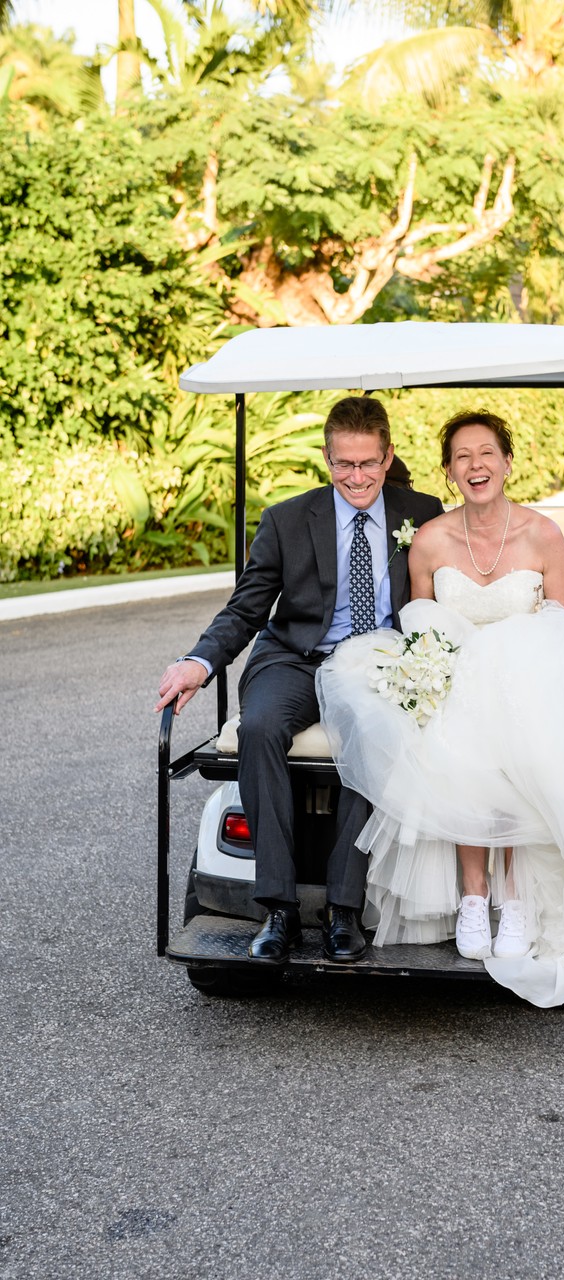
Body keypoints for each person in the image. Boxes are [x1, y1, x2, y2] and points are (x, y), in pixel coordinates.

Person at [317, 410, 564, 1007]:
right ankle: (475, 895)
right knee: (458, 727)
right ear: (449, 472)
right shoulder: (430, 540)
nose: (475, 466)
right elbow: (421, 628)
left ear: (507, 462)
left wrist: (507, 669)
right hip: (453, 685)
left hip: (530, 689)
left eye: (486, 454)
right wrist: (436, 673)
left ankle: (517, 898)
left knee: (518, 727)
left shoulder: (543, 535)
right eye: (462, 457)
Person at [155, 396, 444, 964]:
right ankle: (278, 908)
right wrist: (200, 662)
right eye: (344, 464)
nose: (356, 477)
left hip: (378, 666)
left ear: (387, 457)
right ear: (327, 458)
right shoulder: (286, 519)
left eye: (368, 463)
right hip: (295, 658)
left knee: (376, 733)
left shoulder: (423, 512)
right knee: (259, 726)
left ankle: (343, 909)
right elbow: (246, 609)